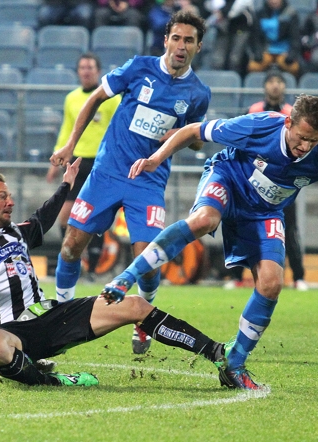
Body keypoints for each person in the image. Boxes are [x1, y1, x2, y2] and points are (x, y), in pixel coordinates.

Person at [101, 94, 318, 390]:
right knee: (204, 220)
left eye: (313, 140)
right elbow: (194, 130)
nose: (305, 146)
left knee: (272, 283)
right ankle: (126, 278)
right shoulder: (258, 126)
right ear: (288, 122)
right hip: (227, 180)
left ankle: (234, 363)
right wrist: (155, 159)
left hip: (265, 212)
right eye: (301, 137)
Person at [0, 168, 231, 387]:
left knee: (135, 304)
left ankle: (216, 353)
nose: (10, 201)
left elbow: (42, 218)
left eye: (9, 195)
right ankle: (55, 381)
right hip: (12, 333)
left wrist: (66, 185)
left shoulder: (16, 231)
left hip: (51, 315)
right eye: (2, 196)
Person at [50, 10, 210, 355]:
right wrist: (69, 145)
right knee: (70, 245)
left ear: (198, 46)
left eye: (189, 40)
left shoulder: (198, 94)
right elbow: (95, 98)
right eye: (176, 38)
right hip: (107, 173)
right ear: (166, 40)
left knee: (148, 260)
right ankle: (61, 312)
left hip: (149, 182)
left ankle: (144, 320)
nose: (181, 46)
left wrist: (179, 135)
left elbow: (196, 139)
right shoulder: (139, 67)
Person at [46, 53, 121, 282]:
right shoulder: (71, 98)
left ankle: (92, 270)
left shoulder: (110, 98)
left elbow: (117, 130)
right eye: (82, 68)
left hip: (100, 163)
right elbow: (67, 128)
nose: (86, 71)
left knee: (95, 216)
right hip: (76, 161)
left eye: (90, 67)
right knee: (65, 214)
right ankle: (70, 259)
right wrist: (58, 156)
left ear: (98, 71)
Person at [248, 69, 307, 291]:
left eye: (279, 82)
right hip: (255, 182)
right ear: (265, 86)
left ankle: (299, 277)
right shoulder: (253, 111)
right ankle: (237, 276)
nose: (275, 85)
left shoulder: (292, 113)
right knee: (247, 228)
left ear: (284, 87)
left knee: (289, 230)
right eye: (271, 81)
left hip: (283, 184)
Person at [247, 0, 301, 77]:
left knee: (294, 68)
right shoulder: (260, 14)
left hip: (284, 53)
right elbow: (255, 37)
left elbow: (295, 38)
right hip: (265, 52)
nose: (274, 1)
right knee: (253, 67)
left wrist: (291, 55)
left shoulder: (291, 14)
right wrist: (258, 53)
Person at [206, 0, 255, 75]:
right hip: (223, 28)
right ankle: (217, 82)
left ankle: (233, 84)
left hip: (240, 28)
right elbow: (212, 5)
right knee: (218, 60)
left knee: (235, 60)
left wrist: (222, 12)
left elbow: (238, 7)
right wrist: (217, 12)